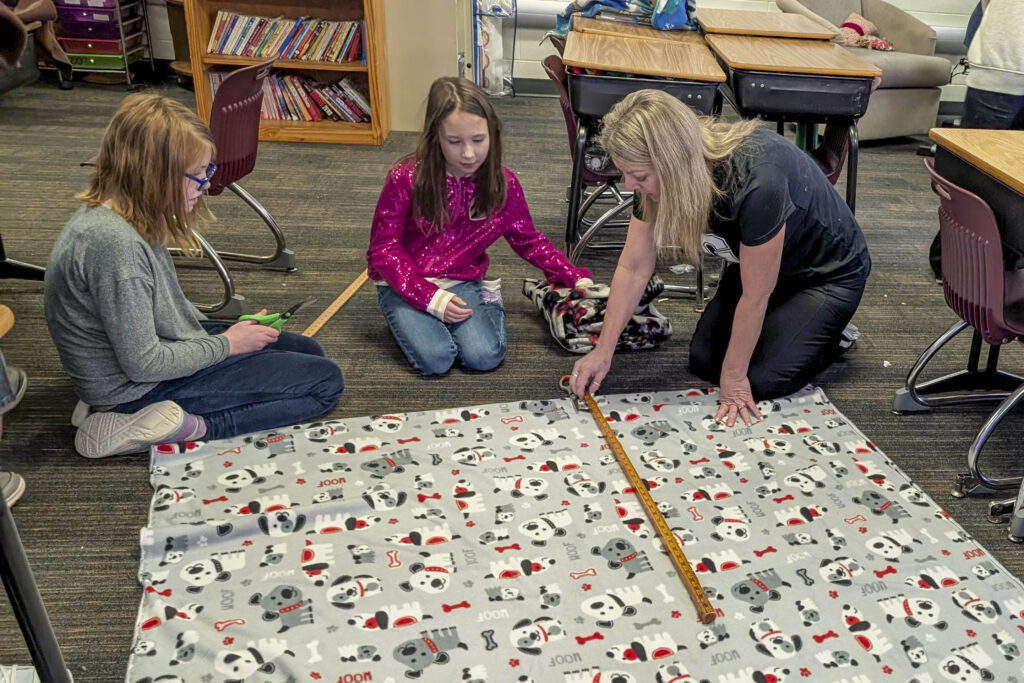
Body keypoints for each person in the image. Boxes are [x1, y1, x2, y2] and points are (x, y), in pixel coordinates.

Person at [44, 93, 345, 459]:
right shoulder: (113, 245)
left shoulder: (127, 213)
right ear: (155, 176)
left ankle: (117, 408)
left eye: (207, 171)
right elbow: (144, 364)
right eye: (198, 175)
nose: (206, 185)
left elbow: (160, 304)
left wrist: (230, 329)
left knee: (307, 351)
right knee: (325, 383)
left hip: (146, 358)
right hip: (135, 387)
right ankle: (179, 425)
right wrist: (229, 344)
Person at [569, 90, 870, 427]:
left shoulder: (756, 182)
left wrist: (736, 377)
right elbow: (634, 266)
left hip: (825, 275)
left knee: (758, 381)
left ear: (673, 164)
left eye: (638, 177)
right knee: (704, 359)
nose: (629, 186)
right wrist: (603, 351)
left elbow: (756, 296)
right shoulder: (655, 183)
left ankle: (834, 334)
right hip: (756, 266)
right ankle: (792, 327)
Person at [367, 76, 592, 376]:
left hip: (462, 279)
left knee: (483, 357)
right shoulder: (406, 178)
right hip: (404, 283)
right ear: (435, 137)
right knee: (437, 359)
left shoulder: (504, 184)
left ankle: (488, 299)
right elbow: (383, 250)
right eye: (455, 142)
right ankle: (415, 317)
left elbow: (528, 239)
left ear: (492, 134)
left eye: (478, 139)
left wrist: (572, 276)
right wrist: (429, 297)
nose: (469, 154)